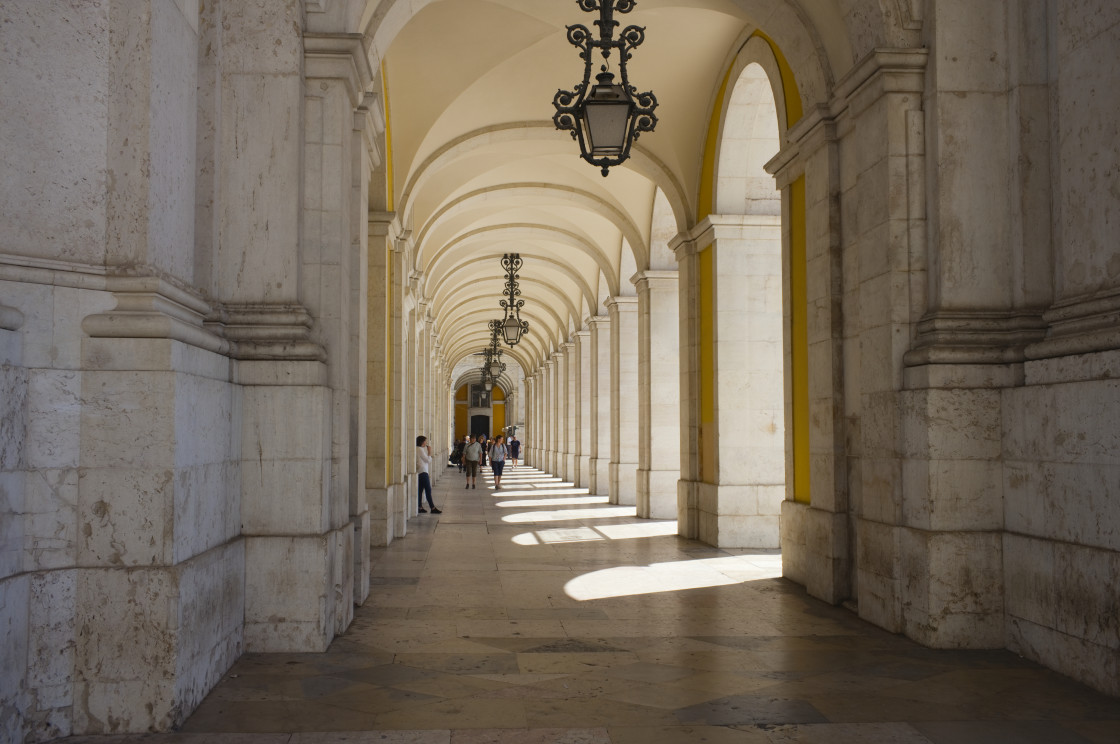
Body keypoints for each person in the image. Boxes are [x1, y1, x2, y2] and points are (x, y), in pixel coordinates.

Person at [416, 435, 441, 514]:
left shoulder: (417, 449)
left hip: (420, 471)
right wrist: (429, 452)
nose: (426, 442)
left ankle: (419, 507)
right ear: (422, 442)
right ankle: (432, 508)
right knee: (428, 490)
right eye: (425, 441)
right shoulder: (420, 449)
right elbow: (428, 460)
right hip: (423, 472)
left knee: (420, 490)